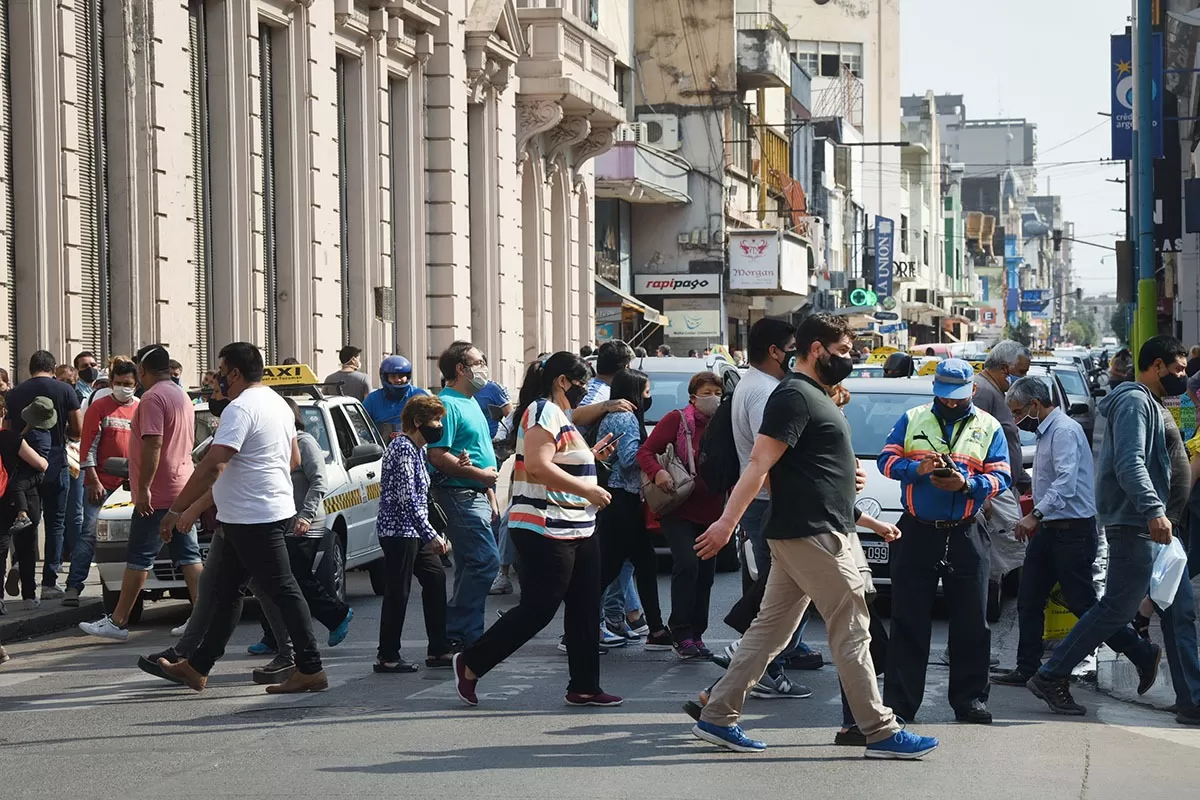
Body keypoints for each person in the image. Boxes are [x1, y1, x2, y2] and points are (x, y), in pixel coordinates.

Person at [687, 313, 937, 758]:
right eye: (842, 352)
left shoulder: (813, 396)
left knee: (771, 633)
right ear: (817, 349)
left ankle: (718, 714)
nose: (849, 360)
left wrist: (859, 503)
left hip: (812, 530)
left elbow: (810, 473)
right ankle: (879, 731)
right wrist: (726, 523)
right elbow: (759, 465)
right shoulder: (794, 397)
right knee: (853, 627)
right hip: (813, 534)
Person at [452, 352, 621, 708]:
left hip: (578, 525)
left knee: (585, 608)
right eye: (582, 384)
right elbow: (541, 466)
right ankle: (471, 662)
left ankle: (585, 686)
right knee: (539, 608)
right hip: (546, 527)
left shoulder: (563, 416)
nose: (586, 391)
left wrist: (592, 457)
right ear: (563, 381)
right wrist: (588, 489)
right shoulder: (542, 411)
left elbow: (560, 462)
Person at [1025, 335, 1184, 715]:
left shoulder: (1147, 401)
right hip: (1136, 522)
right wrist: (1153, 510)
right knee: (1114, 607)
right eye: (1177, 368)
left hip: (1149, 523)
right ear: (1157, 365)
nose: (1182, 375)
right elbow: (1130, 463)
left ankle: (1149, 659)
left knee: (1139, 606)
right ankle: (1052, 673)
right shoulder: (1133, 401)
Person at [159, 342, 327, 694]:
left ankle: (310, 667)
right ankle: (197, 666)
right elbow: (293, 460)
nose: (219, 379)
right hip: (256, 512)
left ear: (234, 373)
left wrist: (177, 510)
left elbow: (213, 464)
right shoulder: (277, 403)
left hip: (255, 516)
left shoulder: (240, 408)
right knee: (225, 592)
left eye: (221, 371)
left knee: (282, 588)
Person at [990, 378, 1158, 692]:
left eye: (1017, 412)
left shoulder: (1064, 431)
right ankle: (1027, 667)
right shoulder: (1046, 432)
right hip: (1049, 529)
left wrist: (1033, 515)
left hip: (1072, 533)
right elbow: (1051, 480)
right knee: (1029, 601)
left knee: (1083, 605)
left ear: (1035, 406)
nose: (1015, 420)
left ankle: (1141, 652)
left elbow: (1066, 484)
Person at [878, 358, 1011, 724]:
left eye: (958, 396)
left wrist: (967, 484)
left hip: (966, 530)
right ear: (934, 388)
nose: (950, 403)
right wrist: (915, 469)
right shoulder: (913, 418)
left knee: (972, 621)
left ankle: (970, 700)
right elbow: (885, 462)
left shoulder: (989, 426)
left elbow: (1002, 476)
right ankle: (901, 704)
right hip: (917, 529)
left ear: (973, 390)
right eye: (944, 395)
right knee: (909, 620)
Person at [79, 345, 202, 640]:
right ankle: (202, 617)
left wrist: (143, 487)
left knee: (139, 557)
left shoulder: (152, 398)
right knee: (188, 555)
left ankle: (118, 620)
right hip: (182, 487)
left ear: (142, 371)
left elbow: (154, 444)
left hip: (158, 492)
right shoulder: (181, 395)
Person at [726, 317, 821, 689]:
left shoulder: (756, 384)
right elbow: (767, 457)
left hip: (765, 501)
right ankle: (761, 663)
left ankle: (773, 656)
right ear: (775, 351)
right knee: (779, 594)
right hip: (770, 503)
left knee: (783, 589)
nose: (797, 356)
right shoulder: (767, 391)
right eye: (793, 349)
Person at [248, 397, 352, 659]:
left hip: (308, 522)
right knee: (270, 578)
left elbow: (319, 481)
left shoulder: (304, 442)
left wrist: (305, 515)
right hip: (282, 521)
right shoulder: (278, 444)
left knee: (295, 577)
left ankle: (337, 615)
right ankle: (273, 636)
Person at [636, 371, 724, 660]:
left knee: (706, 575)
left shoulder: (723, 425)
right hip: (679, 507)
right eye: (707, 392)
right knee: (687, 565)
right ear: (692, 397)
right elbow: (646, 452)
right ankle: (681, 632)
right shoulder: (677, 420)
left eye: (717, 392)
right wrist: (658, 472)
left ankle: (696, 634)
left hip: (712, 511)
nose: (713, 398)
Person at [426, 341, 500, 648]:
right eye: (479, 362)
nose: (484, 367)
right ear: (461, 369)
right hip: (458, 495)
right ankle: (456, 629)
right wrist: (478, 476)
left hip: (477, 495)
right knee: (486, 562)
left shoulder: (471, 401)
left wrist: (490, 492)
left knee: (471, 565)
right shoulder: (448, 404)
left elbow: (479, 454)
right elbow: (438, 455)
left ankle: (468, 635)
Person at [375, 395, 452, 672]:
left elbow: (421, 491)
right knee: (398, 591)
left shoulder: (418, 450)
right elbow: (407, 499)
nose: (439, 426)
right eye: (435, 420)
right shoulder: (402, 448)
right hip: (398, 531)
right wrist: (432, 534)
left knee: (435, 578)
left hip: (413, 530)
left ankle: (438, 649)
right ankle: (387, 656)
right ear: (418, 422)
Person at [595, 368, 671, 649]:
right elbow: (628, 458)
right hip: (620, 499)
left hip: (622, 499)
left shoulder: (619, 416)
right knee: (609, 568)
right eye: (647, 392)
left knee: (642, 562)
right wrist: (653, 450)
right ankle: (580, 627)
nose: (649, 398)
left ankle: (657, 630)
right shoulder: (625, 417)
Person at [3, 350, 83, 600]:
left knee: (26, 520)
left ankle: (19, 564)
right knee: (56, 523)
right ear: (53, 367)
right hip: (56, 462)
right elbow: (78, 429)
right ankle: (49, 581)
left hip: (24, 464)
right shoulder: (65, 390)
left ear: (30, 368)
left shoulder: (14, 394)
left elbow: (8, 429)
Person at [63, 360, 140, 606]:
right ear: (111, 383)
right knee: (90, 533)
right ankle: (74, 586)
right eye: (118, 383)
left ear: (136, 384)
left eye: (128, 384)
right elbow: (88, 447)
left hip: (132, 486)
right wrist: (93, 479)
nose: (123, 388)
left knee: (136, 536)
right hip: (102, 484)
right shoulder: (100, 407)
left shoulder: (141, 408)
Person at [0, 398, 51, 611]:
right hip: (23, 498)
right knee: (26, 547)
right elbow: (40, 464)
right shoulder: (11, 438)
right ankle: (29, 596)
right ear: (3, 411)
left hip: (1, 500)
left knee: (1, 550)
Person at [975, 340, 1030, 491]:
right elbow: (975, 445)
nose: (1024, 378)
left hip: (1004, 485)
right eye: (1021, 372)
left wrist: (1024, 481)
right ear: (1005, 368)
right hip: (992, 489)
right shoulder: (982, 392)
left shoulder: (996, 391)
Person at [6, 398, 53, 532]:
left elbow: (21, 444)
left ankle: (22, 515)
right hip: (34, 471)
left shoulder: (34, 435)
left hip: (34, 472)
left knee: (18, 486)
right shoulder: (44, 433)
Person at [362, 355, 429, 439]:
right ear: (385, 377)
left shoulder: (420, 396)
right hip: (382, 450)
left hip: (415, 449)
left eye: (401, 376)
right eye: (393, 376)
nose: (398, 380)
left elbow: (431, 423)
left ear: (408, 376)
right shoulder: (372, 399)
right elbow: (361, 428)